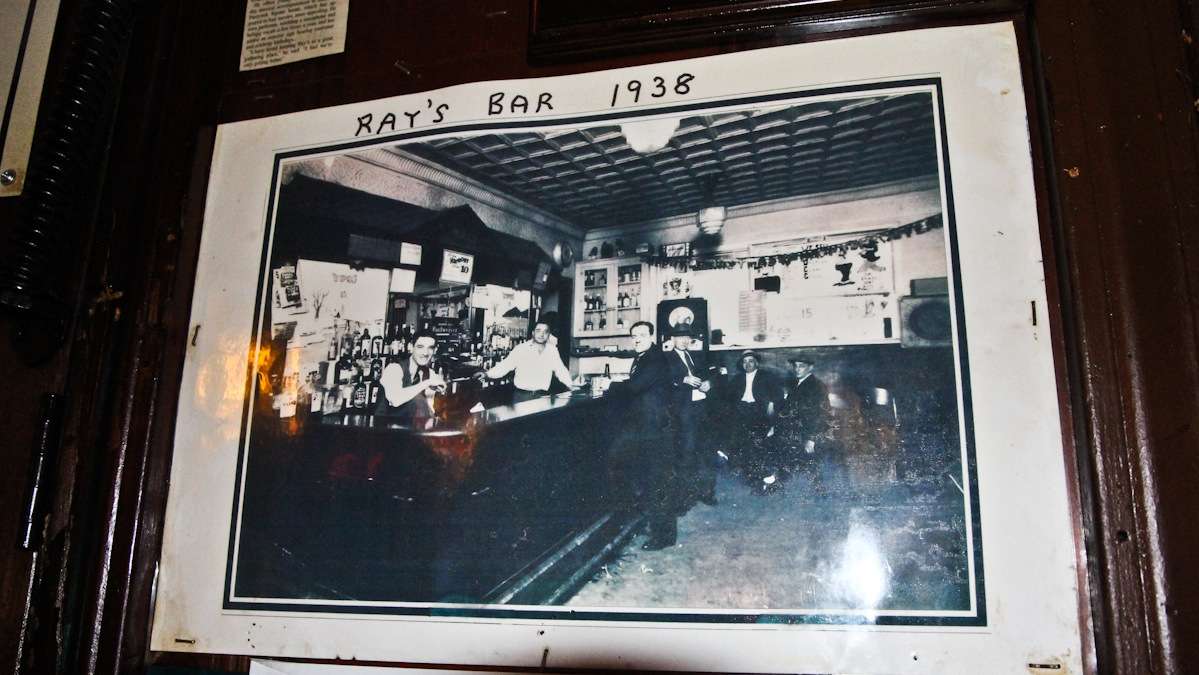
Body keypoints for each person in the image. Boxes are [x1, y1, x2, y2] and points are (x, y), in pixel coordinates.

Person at [605, 320, 679, 550]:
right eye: (633, 335)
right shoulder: (643, 357)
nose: (637, 338)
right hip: (644, 426)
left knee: (658, 481)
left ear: (651, 337)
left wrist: (610, 384)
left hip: (655, 428)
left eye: (641, 334)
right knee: (632, 469)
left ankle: (664, 536)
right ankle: (643, 519)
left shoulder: (654, 358)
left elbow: (635, 387)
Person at [665, 324, 717, 507]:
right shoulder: (665, 358)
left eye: (687, 337)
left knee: (706, 451)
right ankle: (683, 499)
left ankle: (706, 492)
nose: (684, 340)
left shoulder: (695, 356)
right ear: (672, 339)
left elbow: (711, 374)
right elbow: (661, 381)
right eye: (680, 337)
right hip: (683, 412)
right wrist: (682, 380)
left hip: (702, 408)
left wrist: (709, 382)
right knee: (686, 454)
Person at [476, 321, 575, 403]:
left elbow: (561, 370)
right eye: (538, 331)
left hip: (543, 397)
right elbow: (505, 366)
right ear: (533, 333)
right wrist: (487, 374)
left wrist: (571, 385)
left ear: (549, 335)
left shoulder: (552, 350)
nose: (542, 334)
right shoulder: (521, 349)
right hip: (522, 396)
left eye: (545, 332)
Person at [725, 349, 782, 487]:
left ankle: (763, 477)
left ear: (756, 362)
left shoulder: (767, 376)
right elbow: (728, 397)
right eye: (744, 362)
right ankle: (749, 473)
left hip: (759, 411)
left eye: (751, 361)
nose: (748, 364)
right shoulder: (737, 378)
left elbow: (778, 395)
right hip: (741, 410)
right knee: (740, 440)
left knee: (756, 444)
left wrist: (771, 405)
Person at [775, 357, 834, 487]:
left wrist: (811, 439)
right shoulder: (798, 384)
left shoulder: (817, 386)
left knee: (812, 469)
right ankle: (780, 486)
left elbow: (821, 414)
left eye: (801, 366)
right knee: (789, 463)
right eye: (795, 366)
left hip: (807, 433)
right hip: (794, 433)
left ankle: (819, 494)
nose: (797, 369)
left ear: (810, 367)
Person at [377, 330, 445, 423]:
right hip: (387, 432)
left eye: (430, 348)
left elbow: (429, 410)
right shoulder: (394, 369)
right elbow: (396, 399)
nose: (425, 353)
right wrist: (426, 383)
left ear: (435, 350)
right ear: (411, 347)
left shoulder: (430, 374)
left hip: (415, 433)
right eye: (420, 347)